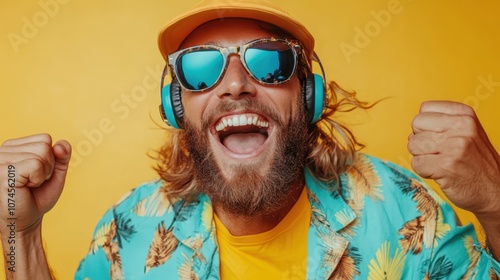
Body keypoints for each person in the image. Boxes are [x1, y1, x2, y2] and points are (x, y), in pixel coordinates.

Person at [1, 0, 499, 279]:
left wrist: (497, 203)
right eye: (200, 69)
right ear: (178, 106)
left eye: (268, 61)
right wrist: (16, 233)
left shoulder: (404, 213)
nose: (236, 83)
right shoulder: (129, 233)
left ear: (307, 95)